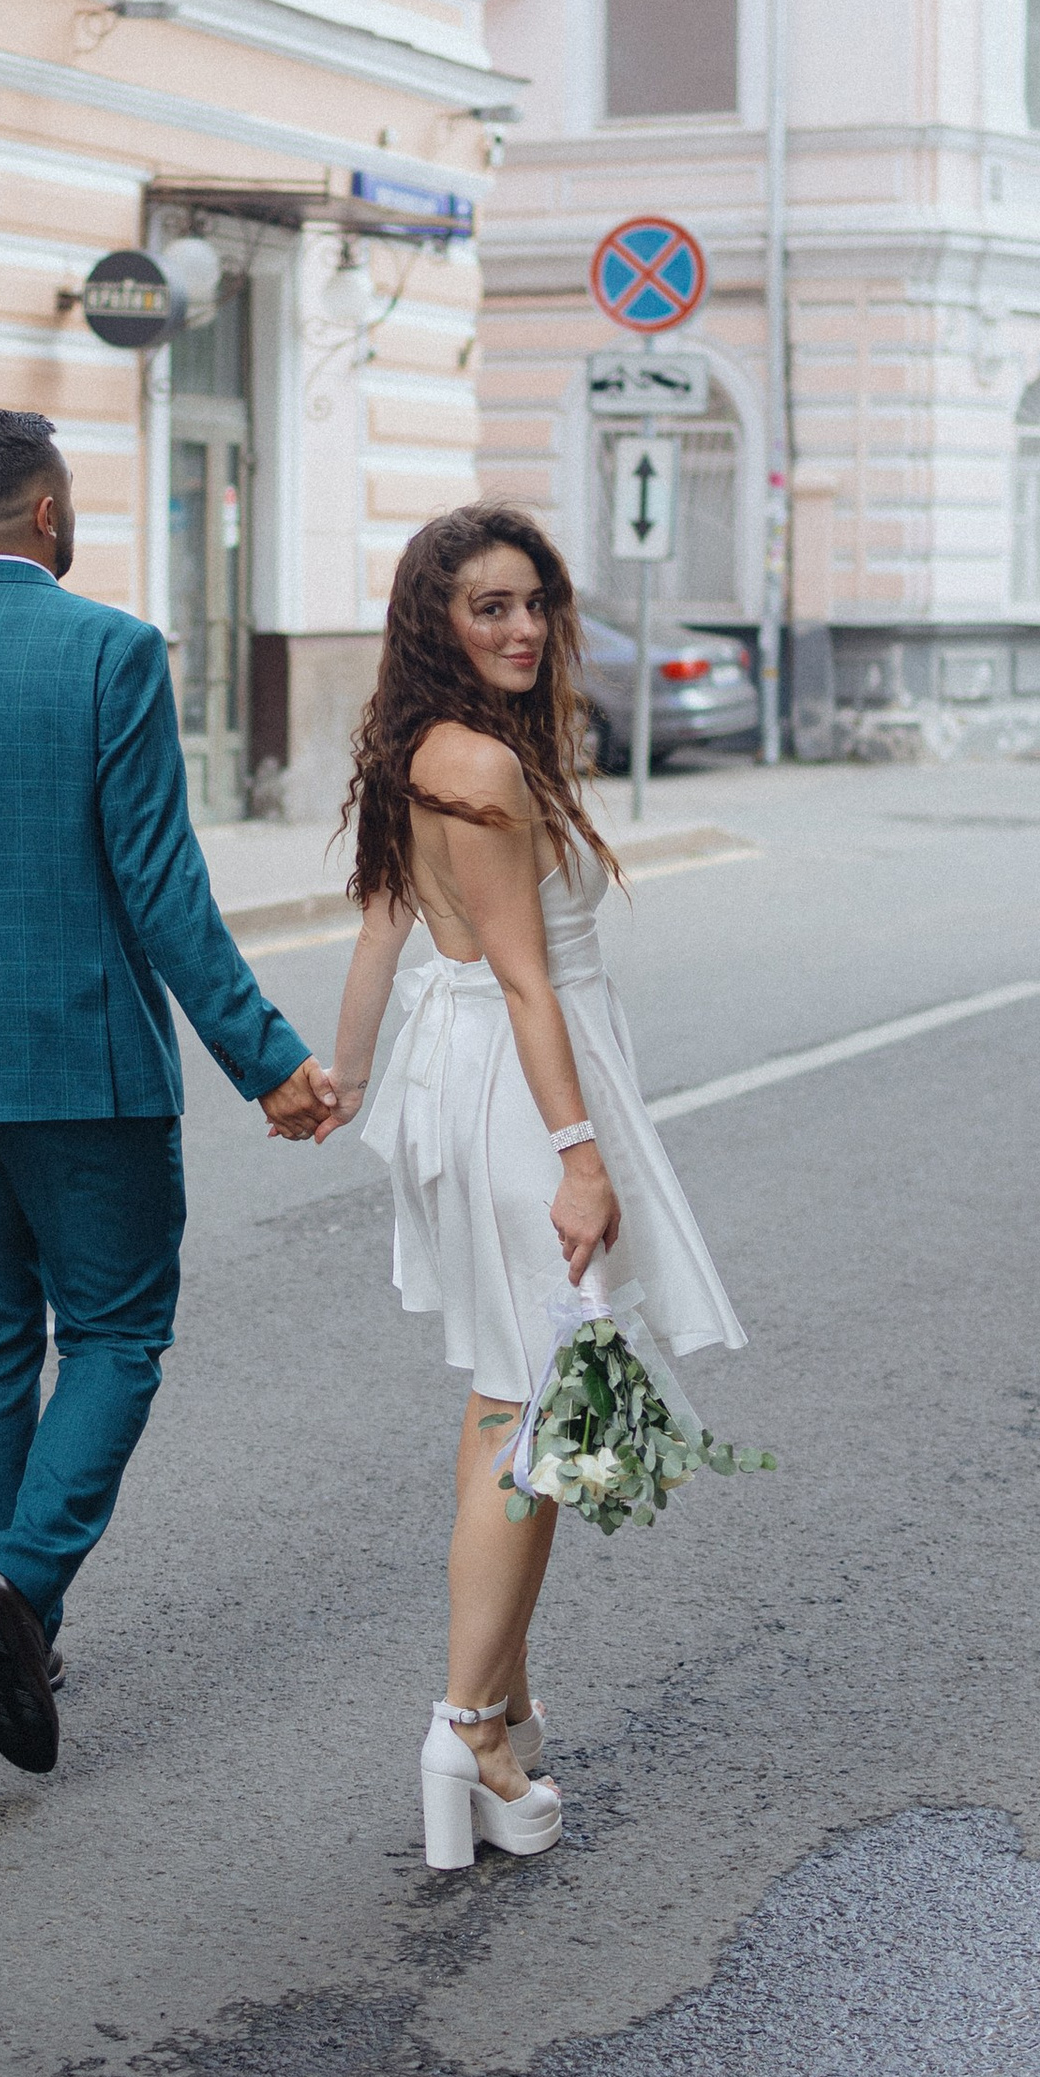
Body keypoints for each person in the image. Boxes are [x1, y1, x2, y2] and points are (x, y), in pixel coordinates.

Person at [0, 409, 338, 1777]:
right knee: (115, 1331)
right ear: (47, 515)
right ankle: (20, 1589)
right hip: (84, 1073)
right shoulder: (111, 652)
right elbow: (160, 884)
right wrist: (268, 1059)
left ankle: (21, 1620)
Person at [321, 504, 746, 1869]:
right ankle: (470, 1730)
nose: (519, 629)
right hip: (517, 1089)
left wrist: (339, 1073)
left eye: (534, 605)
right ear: (436, 623)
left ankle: (495, 1700)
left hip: (468, 1078)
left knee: (515, 1397)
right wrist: (578, 1156)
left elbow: (386, 923)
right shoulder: (482, 772)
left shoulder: (422, 750)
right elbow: (520, 977)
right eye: (487, 608)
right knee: (545, 1412)